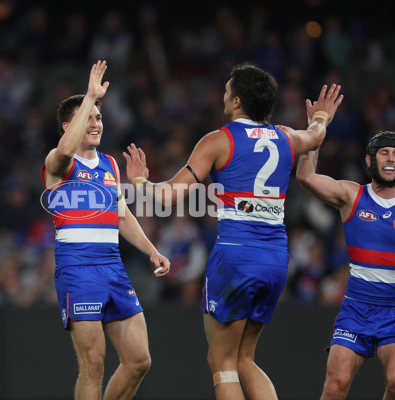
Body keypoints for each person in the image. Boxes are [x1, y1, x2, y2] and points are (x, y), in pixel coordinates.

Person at [123, 63, 343, 400]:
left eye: (228, 88)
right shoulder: (287, 136)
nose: (224, 93)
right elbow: (315, 136)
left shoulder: (218, 141)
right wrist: (321, 117)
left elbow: (165, 196)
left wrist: (139, 179)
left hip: (235, 256)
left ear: (237, 101)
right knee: (245, 359)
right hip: (274, 259)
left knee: (221, 361)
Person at [41, 60, 170, 400]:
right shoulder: (59, 160)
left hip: (113, 268)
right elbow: (66, 148)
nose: (97, 122)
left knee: (139, 360)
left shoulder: (110, 165)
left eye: (99, 116)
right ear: (71, 124)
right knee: (93, 365)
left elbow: (123, 216)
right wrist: (90, 97)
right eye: (90, 117)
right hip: (78, 268)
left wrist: (151, 250)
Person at [296, 130, 395, 400]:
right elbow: (305, 177)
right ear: (370, 161)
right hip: (356, 312)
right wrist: (317, 129)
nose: (390, 158)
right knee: (335, 386)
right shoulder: (352, 195)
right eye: (384, 152)